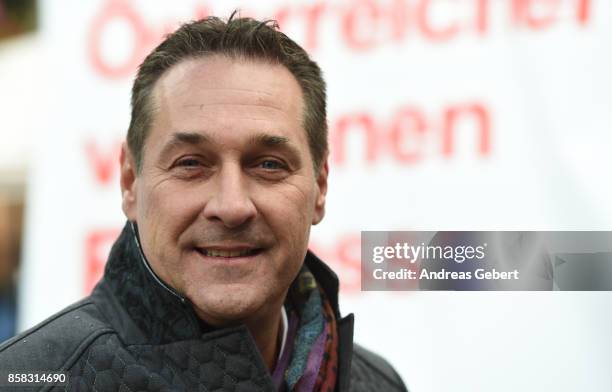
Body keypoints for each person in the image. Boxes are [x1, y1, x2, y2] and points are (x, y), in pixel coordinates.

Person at [0, 14, 407, 391]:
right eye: (191, 164)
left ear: (320, 186)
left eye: (268, 164)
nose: (231, 206)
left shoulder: (375, 383)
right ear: (130, 183)